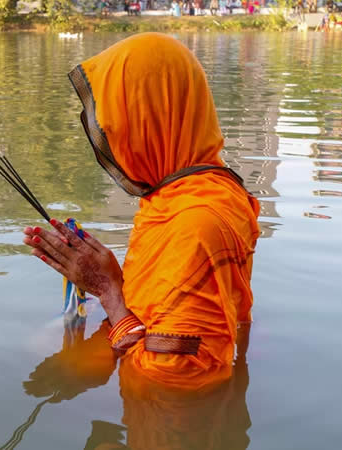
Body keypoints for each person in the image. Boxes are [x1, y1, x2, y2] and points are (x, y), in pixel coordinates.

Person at [23, 33, 260, 390]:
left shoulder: (195, 224)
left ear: (153, 122)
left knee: (25, 357)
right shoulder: (205, 187)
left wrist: (108, 290)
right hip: (161, 364)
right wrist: (100, 272)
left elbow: (169, 385)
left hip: (169, 430)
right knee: (38, 346)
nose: (113, 144)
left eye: (118, 127)